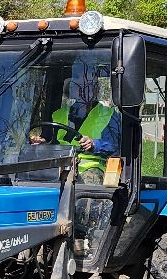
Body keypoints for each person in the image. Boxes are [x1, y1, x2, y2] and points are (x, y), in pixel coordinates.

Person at [32, 55, 121, 185]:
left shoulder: (109, 115)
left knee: (87, 181)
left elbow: (115, 145)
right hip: (59, 166)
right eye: (77, 82)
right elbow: (50, 141)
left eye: (87, 84)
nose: (81, 87)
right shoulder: (58, 115)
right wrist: (41, 143)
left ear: (96, 89)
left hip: (91, 168)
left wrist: (94, 144)